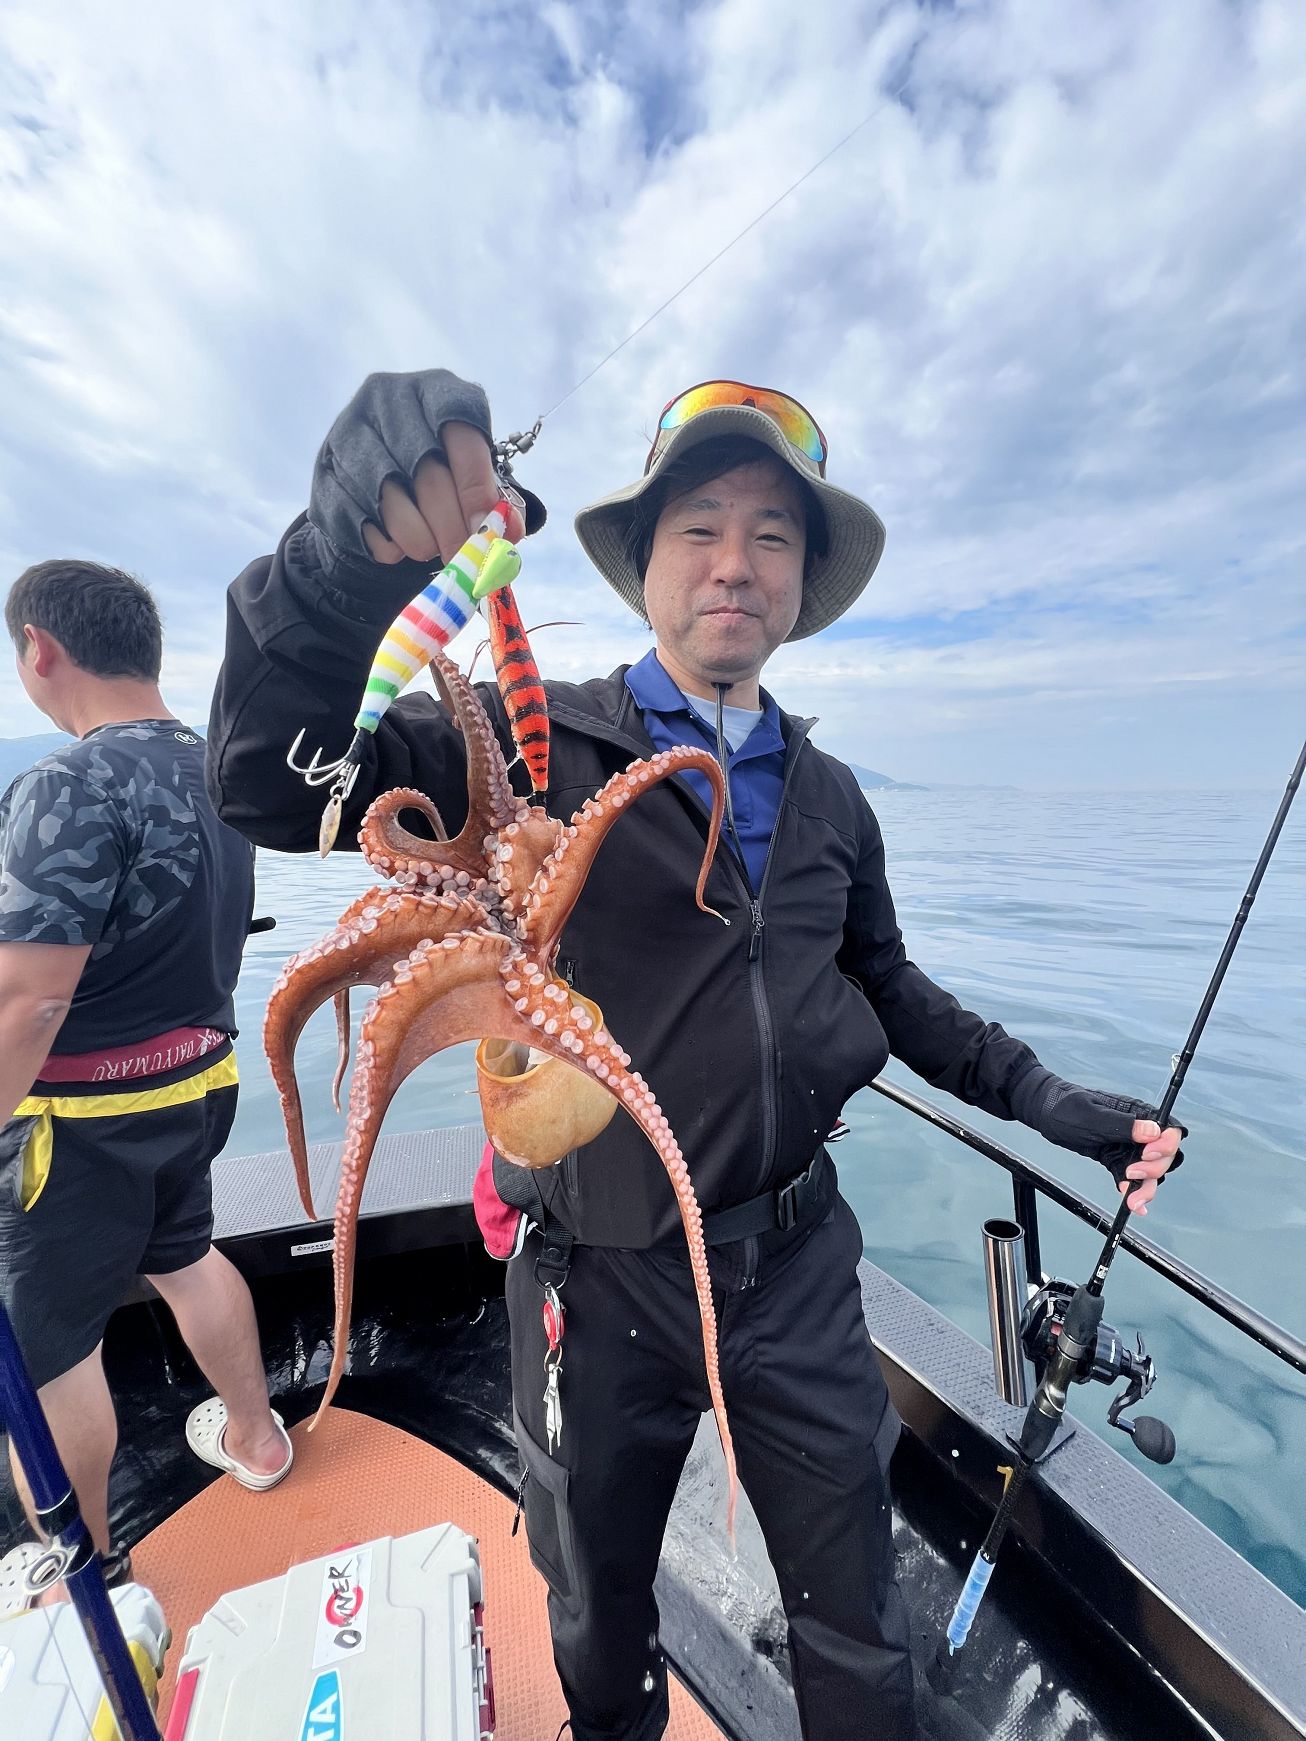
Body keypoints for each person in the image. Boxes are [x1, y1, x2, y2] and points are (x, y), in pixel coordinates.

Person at [206, 371, 1182, 1740]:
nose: (735, 562)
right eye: (701, 527)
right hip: (594, 1274)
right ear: (645, 563)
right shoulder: (538, 751)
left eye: (772, 535)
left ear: (800, 583)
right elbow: (270, 782)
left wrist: (1048, 1100)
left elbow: (888, 984)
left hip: (795, 1268)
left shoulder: (830, 797)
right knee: (595, 1601)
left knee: (858, 1620)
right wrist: (329, 571)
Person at [0, 560, 293, 1610]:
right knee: (185, 1254)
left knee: (52, 1346)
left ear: (40, 649)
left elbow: (29, 999)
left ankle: (82, 1570)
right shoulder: (224, 771)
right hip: (196, 1083)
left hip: (77, 1124)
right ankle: (257, 1436)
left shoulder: (65, 785)